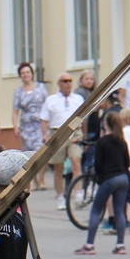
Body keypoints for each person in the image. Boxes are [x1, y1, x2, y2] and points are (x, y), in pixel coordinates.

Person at [76, 111, 130, 256]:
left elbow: (98, 165)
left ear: (105, 124)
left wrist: (100, 179)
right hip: (123, 177)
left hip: (109, 178)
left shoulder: (102, 142)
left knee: (96, 209)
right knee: (119, 210)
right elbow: (128, 161)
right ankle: (120, 244)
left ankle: (89, 244)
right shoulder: (121, 140)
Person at [40, 71, 83, 209]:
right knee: (58, 167)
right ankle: (60, 196)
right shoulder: (51, 100)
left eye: (70, 81)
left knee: (76, 162)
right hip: (57, 132)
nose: (68, 83)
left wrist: (83, 135)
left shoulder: (78, 98)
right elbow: (44, 118)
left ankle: (78, 193)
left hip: (74, 132)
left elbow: (84, 117)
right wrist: (45, 134)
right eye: (65, 81)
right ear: (59, 84)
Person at [11, 61, 47, 168]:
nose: (25, 74)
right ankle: (35, 180)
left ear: (32, 73)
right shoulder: (18, 92)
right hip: (26, 128)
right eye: (23, 73)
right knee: (29, 156)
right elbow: (15, 111)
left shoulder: (41, 87)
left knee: (40, 153)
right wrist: (15, 126)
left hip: (40, 127)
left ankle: (41, 181)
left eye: (27, 72)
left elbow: (47, 105)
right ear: (20, 75)